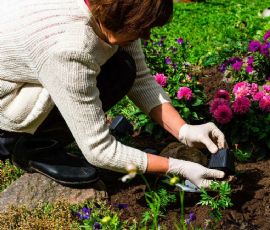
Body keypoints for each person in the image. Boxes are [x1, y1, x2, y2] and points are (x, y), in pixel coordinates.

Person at [0, 0, 226, 188]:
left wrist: (184, 130)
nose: (146, 36)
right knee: (89, 74)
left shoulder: (109, 11)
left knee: (122, 68)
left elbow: (140, 78)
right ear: (118, 17)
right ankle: (30, 146)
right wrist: (175, 167)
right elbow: (99, 150)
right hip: (6, 100)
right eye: (140, 28)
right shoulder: (69, 48)